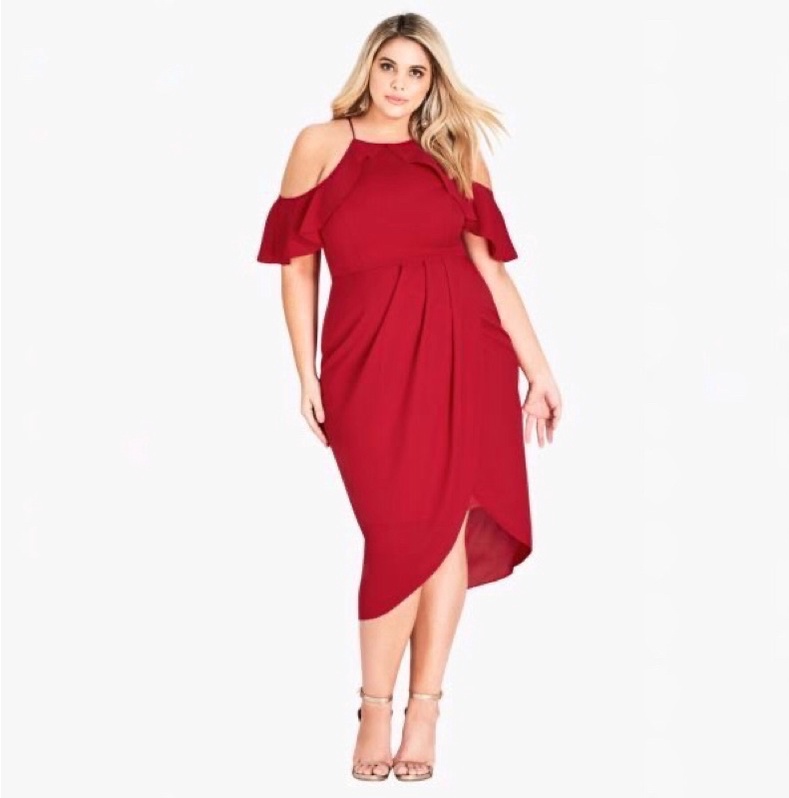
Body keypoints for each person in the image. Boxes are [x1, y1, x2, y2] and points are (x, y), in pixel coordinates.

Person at [255, 12, 562, 782]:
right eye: (389, 66)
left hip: (466, 352)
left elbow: (492, 270)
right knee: (396, 530)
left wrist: (539, 369)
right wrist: (305, 373)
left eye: (417, 72)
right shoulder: (320, 144)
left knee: (445, 532)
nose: (400, 84)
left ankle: (423, 710)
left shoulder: (455, 149)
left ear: (433, 82)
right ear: (369, 67)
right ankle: (373, 707)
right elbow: (298, 266)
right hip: (365, 359)